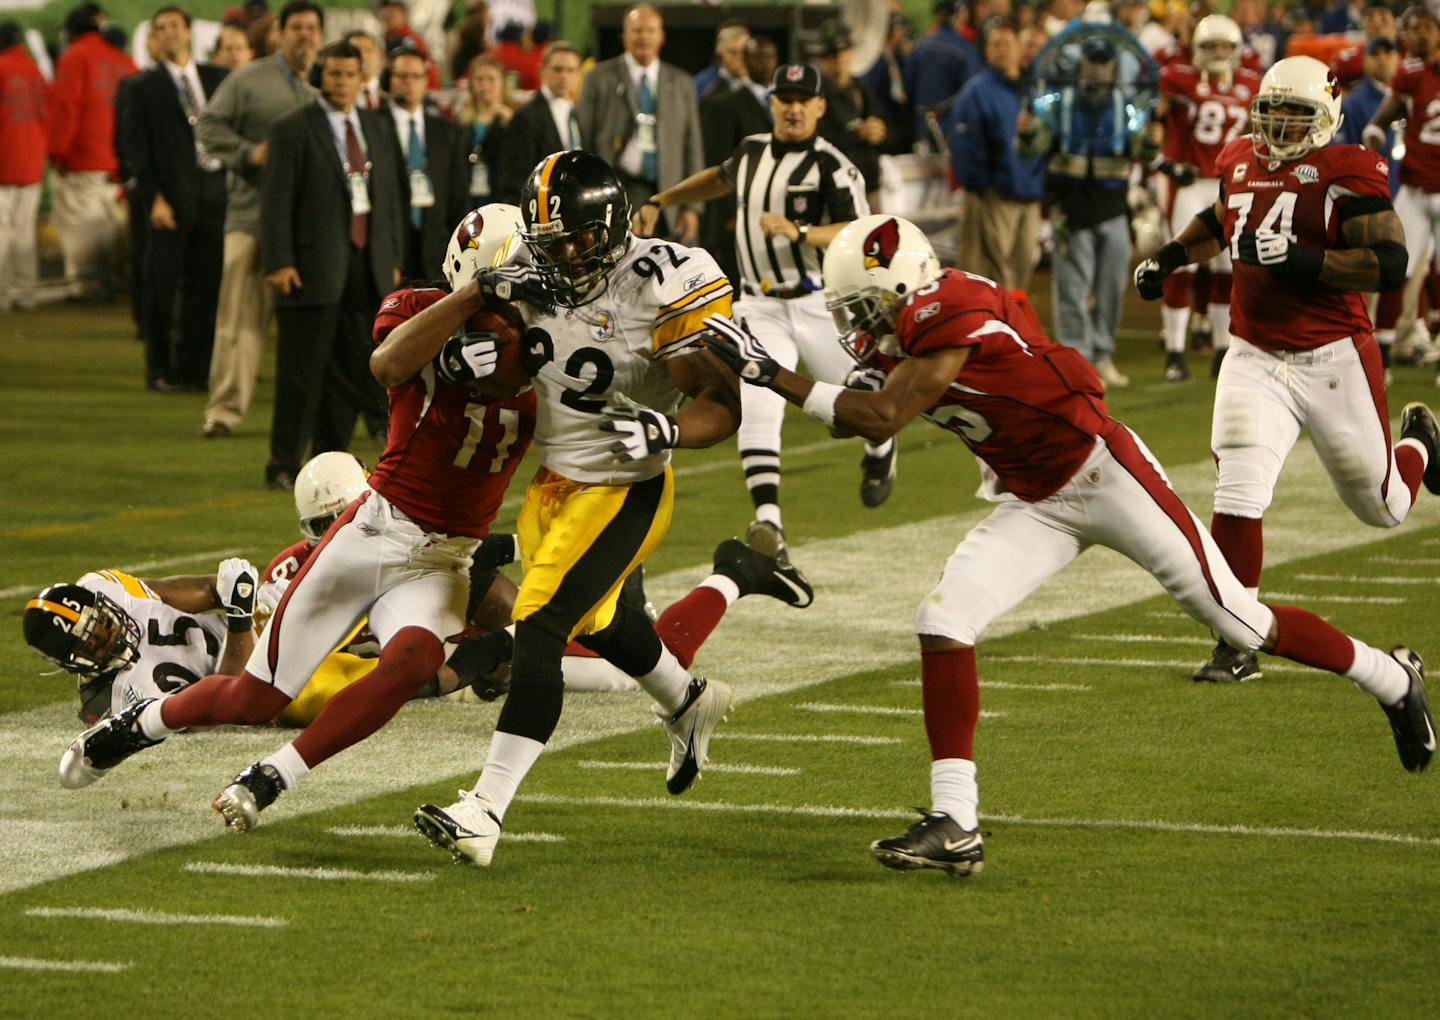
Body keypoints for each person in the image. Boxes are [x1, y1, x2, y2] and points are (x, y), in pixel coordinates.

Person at [704, 212, 1437, 877]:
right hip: (1037, 499)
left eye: (868, 309)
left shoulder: (944, 306)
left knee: (1241, 624)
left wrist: (768, 373)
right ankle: (956, 821)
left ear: (905, 287)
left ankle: (1391, 678)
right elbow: (864, 406)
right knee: (943, 619)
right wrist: (828, 382)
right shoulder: (923, 313)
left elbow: (881, 416)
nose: (862, 326)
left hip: (1103, 472)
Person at [411, 151, 750, 868]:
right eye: (551, 240)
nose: (565, 254)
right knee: (607, 622)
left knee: (540, 621)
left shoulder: (660, 284)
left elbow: (723, 405)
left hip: (628, 487)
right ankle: (688, 700)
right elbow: (493, 358)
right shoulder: (527, 274)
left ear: (615, 226)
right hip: (554, 486)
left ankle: (485, 808)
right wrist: (464, 354)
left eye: (578, 238)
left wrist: (670, 428)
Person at [1135, 55, 1440, 684]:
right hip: (1254, 353)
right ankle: (1236, 638)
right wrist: (1170, 258)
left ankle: (1419, 445)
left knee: (1384, 507)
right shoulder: (1239, 158)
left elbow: (1389, 262)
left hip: (1333, 356)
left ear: (1325, 118)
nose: (1278, 127)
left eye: (1294, 115)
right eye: (1270, 113)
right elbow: (1224, 218)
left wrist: (1307, 260)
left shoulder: (1346, 169)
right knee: (1237, 490)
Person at [633, 63, 887, 568]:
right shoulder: (752, 151)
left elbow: (860, 234)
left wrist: (798, 233)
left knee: (858, 407)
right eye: (784, 98)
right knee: (758, 398)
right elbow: (719, 178)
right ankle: (769, 520)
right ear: (771, 102)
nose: (792, 107)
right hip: (759, 302)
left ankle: (881, 449)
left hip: (818, 299)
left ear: (819, 106)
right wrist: (665, 198)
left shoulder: (834, 165)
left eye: (802, 99)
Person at [260, 39, 406, 491]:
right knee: (301, 371)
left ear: (363, 77)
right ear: (319, 76)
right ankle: (282, 462)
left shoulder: (376, 125)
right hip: (311, 266)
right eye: (334, 74)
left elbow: (391, 198)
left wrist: (393, 256)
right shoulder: (292, 128)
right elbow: (276, 200)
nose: (342, 82)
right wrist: (280, 259)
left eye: (350, 74)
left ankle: (329, 461)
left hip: (367, 264)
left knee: (354, 367)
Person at [197, 0, 321, 440]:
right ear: (279, 33)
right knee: (239, 319)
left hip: (313, 227)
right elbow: (208, 127)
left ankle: (316, 416)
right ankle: (225, 412)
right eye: (297, 28)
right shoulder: (248, 78)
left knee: (316, 325)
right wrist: (249, 154)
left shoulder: (332, 84)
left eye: (311, 28)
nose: (304, 35)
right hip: (250, 217)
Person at [1017, 33, 1157, 389]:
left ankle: (1102, 355)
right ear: (1083, 67)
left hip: (1113, 208)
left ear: (1112, 68)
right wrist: (1027, 135)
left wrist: (1153, 140)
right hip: (1072, 208)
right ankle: (1075, 360)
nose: (1097, 71)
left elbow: (1145, 149)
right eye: (1092, 64)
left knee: (1110, 286)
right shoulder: (1059, 107)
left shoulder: (1127, 107)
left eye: (1103, 64)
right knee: (1073, 290)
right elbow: (1032, 150)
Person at [1148, 14, 1260, 382]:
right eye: (1210, 46)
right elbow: (1155, 120)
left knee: (1229, 269)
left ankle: (1222, 348)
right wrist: (1162, 160)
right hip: (1192, 180)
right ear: (1197, 48)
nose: (1216, 53)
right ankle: (1176, 350)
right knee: (1183, 264)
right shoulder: (1178, 78)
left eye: (1223, 46)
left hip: (1228, 183)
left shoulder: (1248, 84)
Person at [126, 5, 229, 394]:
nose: (169, 32)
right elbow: (136, 150)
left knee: (206, 284)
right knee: (161, 286)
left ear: (188, 33)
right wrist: (153, 197)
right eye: (161, 27)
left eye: (175, 26)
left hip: (215, 192)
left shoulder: (216, 78)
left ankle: (194, 368)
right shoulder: (142, 86)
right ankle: (159, 367)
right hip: (170, 197)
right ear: (153, 36)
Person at [25, 558, 261, 727]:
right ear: (70, 663)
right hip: (261, 677)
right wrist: (241, 618)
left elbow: (207, 589)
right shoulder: (115, 703)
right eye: (93, 644)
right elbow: (232, 706)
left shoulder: (103, 587)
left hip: (256, 622)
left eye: (104, 622)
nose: (110, 637)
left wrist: (245, 592)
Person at [576, 4, 703, 243]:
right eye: (637, 30)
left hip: (670, 194)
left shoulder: (682, 82)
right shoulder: (598, 78)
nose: (644, 37)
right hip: (619, 190)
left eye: (650, 30)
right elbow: (583, 139)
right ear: (624, 36)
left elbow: (692, 145)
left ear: (661, 36)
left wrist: (692, 207)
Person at [1365, 7, 1440, 384]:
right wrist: (1374, 135)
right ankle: (1385, 353)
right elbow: (1380, 120)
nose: (1420, 35)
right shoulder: (1408, 73)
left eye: (1426, 28)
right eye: (1412, 29)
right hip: (1413, 185)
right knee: (1396, 266)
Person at [945, 18, 1045, 293]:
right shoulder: (975, 93)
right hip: (993, 196)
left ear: (1018, 47)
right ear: (987, 51)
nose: (1003, 49)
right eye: (995, 44)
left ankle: (1011, 330)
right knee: (990, 276)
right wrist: (982, 188)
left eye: (1008, 42)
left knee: (1021, 272)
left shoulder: (1032, 89)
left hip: (1029, 195)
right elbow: (965, 150)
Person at [46, 2, 136, 301]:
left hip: (84, 157)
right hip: (119, 160)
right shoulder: (125, 61)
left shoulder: (75, 56)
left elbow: (65, 109)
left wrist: (58, 152)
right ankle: (110, 279)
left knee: (81, 223)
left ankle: (85, 285)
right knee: (110, 224)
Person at [1339, 35, 1405, 384]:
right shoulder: (1356, 103)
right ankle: (1363, 346)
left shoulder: (1410, 93)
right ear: (1365, 60)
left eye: (1388, 52)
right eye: (1375, 54)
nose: (1382, 60)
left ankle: (1391, 345)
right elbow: (1346, 153)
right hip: (1369, 201)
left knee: (1401, 274)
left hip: (1407, 191)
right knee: (1367, 274)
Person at [699, 35, 777, 284]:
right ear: (745, 61)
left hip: (773, 213)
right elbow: (717, 162)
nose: (764, 63)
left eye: (769, 57)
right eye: (757, 57)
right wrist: (731, 212)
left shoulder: (783, 104)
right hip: (736, 217)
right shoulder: (724, 104)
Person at [388, 46, 470, 280]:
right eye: (401, 76)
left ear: (426, 82)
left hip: (435, 250)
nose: (408, 82)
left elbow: (457, 193)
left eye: (416, 76)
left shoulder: (445, 131)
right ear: (390, 79)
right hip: (392, 250)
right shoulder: (376, 126)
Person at [0, 20, 47, 313]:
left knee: (2, 229)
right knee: (24, 228)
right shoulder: (34, 70)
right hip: (31, 159)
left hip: (4, 158)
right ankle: (25, 292)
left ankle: (3, 294)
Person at [813, 21, 886, 209]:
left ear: (851, 52)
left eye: (843, 51)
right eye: (831, 54)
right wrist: (858, 134)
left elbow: (884, 127)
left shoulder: (861, 88)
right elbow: (817, 141)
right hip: (835, 186)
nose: (838, 58)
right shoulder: (815, 94)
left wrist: (879, 131)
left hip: (868, 181)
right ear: (822, 58)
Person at [905, 0, 981, 147]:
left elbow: (908, 85)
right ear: (959, 15)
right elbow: (971, 95)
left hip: (921, 127)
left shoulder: (919, 46)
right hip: (953, 132)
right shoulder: (965, 50)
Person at [456, 54, 514, 206]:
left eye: (491, 79)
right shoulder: (462, 121)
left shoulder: (512, 120)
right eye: (479, 79)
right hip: (468, 196)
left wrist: (511, 124)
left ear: (502, 83)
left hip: (501, 196)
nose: (484, 85)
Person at [376, 0, 437, 88]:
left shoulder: (403, 39)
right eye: (385, 14)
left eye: (392, 13)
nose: (388, 14)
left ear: (404, 14)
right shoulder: (394, 37)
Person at [693, 21, 749, 99]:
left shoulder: (761, 81)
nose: (740, 57)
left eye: (744, 52)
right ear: (720, 53)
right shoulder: (703, 84)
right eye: (733, 52)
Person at [347, 30, 385, 111]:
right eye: (356, 51)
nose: (363, 56)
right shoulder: (339, 93)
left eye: (369, 50)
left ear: (380, 57)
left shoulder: (389, 90)